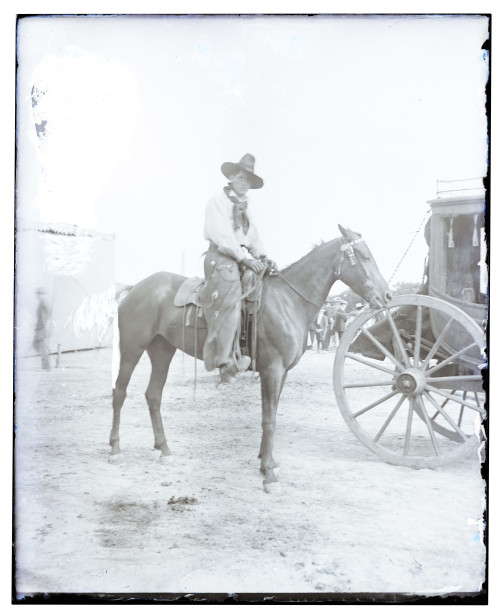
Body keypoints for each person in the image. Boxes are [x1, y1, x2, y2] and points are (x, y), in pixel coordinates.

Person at [200, 154, 277, 384]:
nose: (245, 184)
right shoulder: (218, 201)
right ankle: (225, 361)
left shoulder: (245, 207)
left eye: (249, 181)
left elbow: (253, 237)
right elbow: (223, 237)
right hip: (221, 256)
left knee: (261, 285)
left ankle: (249, 350)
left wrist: (263, 257)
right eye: (242, 178)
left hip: (240, 256)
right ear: (231, 177)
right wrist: (245, 259)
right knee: (233, 291)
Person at [33, 287, 50, 369]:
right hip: (39, 327)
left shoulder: (43, 302)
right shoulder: (41, 302)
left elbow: (48, 313)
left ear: (42, 295)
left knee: (40, 346)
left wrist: (44, 323)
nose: (38, 296)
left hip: (41, 328)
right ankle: (45, 365)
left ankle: (46, 366)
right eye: (38, 294)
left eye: (39, 294)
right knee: (38, 345)